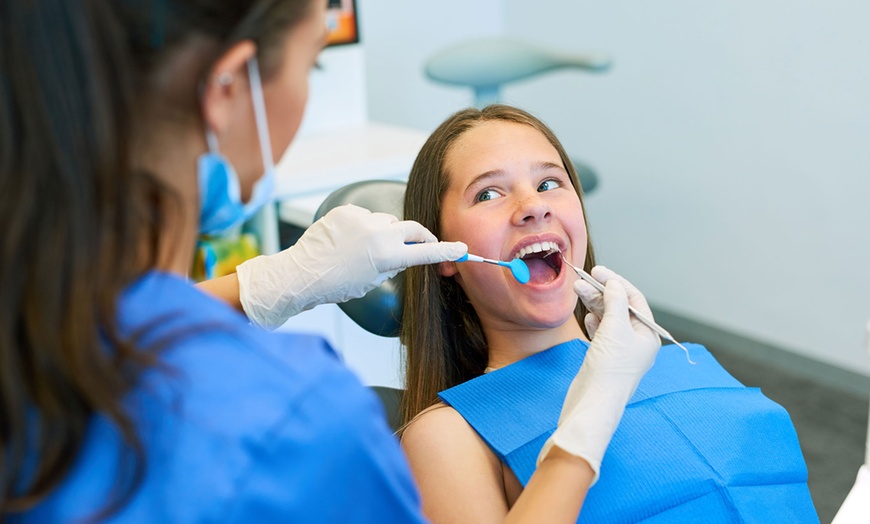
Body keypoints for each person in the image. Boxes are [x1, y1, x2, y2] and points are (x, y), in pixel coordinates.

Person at [0, 0, 462, 520]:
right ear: (229, 86)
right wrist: (572, 458)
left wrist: (263, 284)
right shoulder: (298, 425)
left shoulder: (37, 319)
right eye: (313, 63)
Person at [398, 105, 819, 522]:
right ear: (443, 252)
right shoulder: (449, 436)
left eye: (549, 182)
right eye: (488, 193)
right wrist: (585, 428)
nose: (533, 206)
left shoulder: (685, 360)